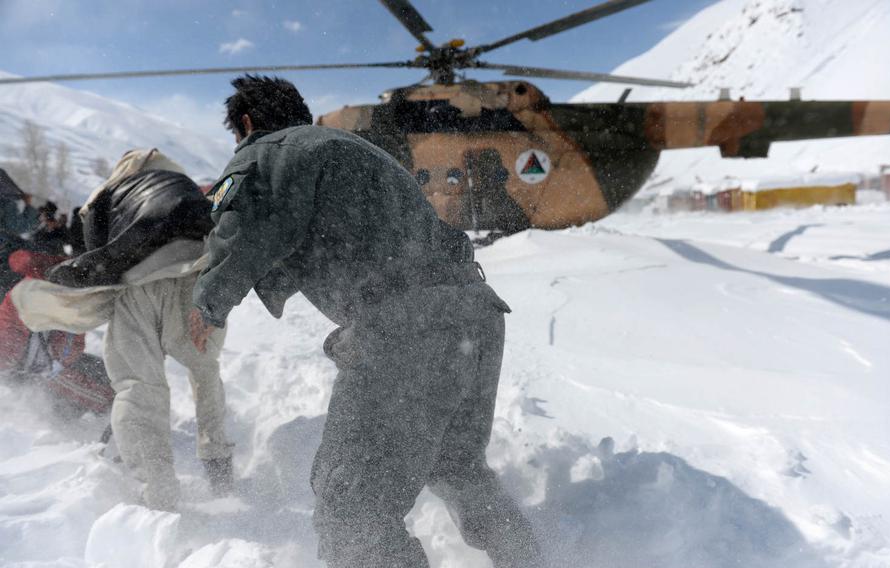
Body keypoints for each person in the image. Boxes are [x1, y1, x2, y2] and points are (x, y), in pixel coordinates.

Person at [193, 75, 541, 568]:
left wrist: (205, 305)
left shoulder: (272, 149)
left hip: (409, 325)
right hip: (475, 314)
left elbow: (246, 230)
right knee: (456, 465)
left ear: (247, 123)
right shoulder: (350, 151)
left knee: (350, 502)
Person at [13, 149, 233, 511]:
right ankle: (220, 467)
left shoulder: (105, 195)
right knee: (206, 372)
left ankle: (158, 496)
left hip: (139, 287)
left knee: (138, 387)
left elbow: (97, 259)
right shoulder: (188, 187)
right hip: (199, 281)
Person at [0, 249, 114, 418]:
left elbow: (72, 339)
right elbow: (14, 353)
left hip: (47, 363)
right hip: (30, 375)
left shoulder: (57, 295)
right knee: (67, 382)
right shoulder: (27, 298)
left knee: (105, 373)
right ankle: (112, 412)